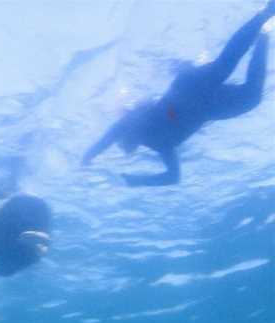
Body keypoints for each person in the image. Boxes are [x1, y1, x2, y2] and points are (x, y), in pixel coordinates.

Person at [82, 2, 274, 187]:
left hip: (189, 91)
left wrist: (89, 156)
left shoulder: (136, 125)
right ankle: (264, 34)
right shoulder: (160, 145)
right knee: (248, 93)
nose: (126, 144)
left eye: (124, 141)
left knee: (226, 64)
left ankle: (264, 17)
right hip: (206, 105)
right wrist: (135, 181)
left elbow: (110, 135)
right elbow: (173, 177)